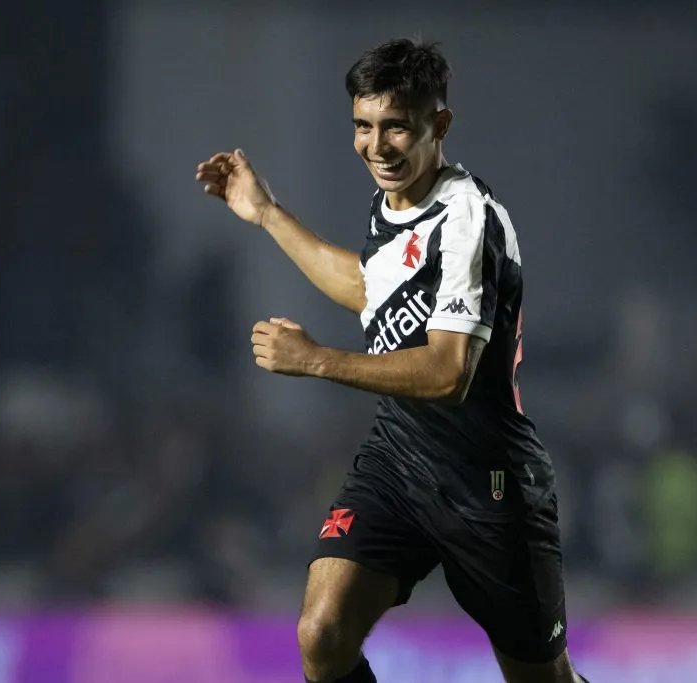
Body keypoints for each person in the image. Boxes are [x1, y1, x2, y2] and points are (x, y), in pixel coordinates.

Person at [195, 38, 591, 683]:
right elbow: (371, 286)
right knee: (321, 634)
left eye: (396, 127)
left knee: (540, 679)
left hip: (488, 483)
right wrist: (266, 213)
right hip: (399, 462)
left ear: (439, 126)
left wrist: (317, 360)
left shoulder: (467, 222)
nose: (377, 146)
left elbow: (448, 373)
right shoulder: (397, 199)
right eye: (363, 125)